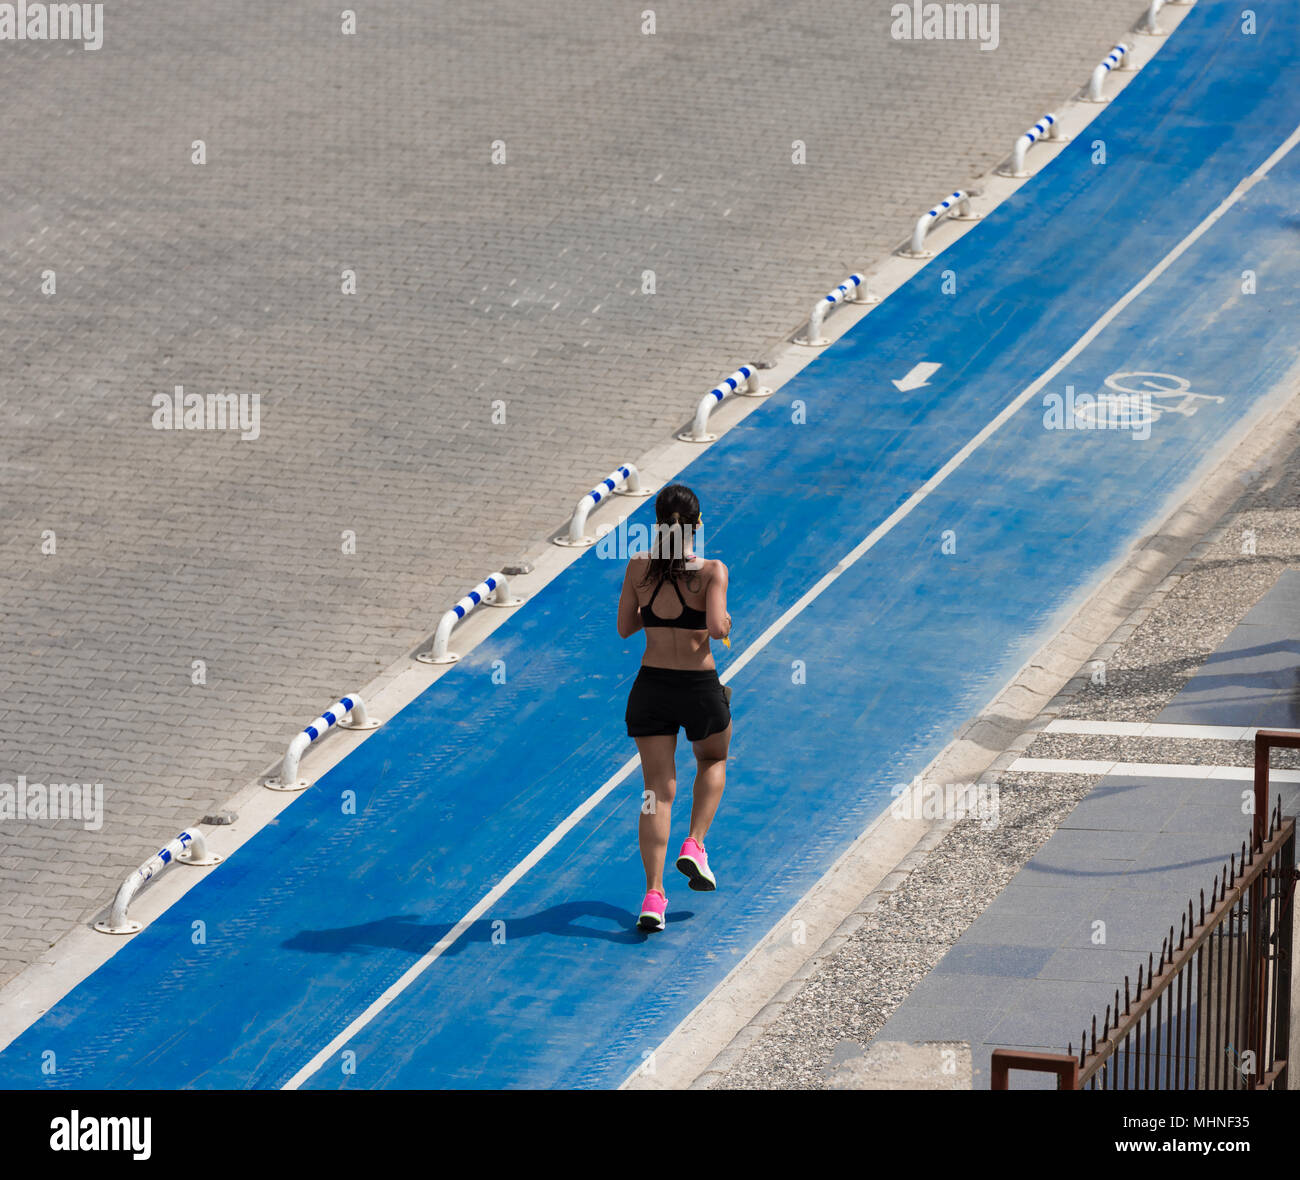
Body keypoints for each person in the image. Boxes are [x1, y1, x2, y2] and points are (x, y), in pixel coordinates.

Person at [617, 483, 732, 932]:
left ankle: (653, 894)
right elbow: (718, 625)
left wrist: (658, 612)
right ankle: (696, 844)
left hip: (652, 688)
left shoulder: (639, 568)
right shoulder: (711, 571)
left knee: (655, 792)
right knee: (714, 757)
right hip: (698, 688)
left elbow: (626, 627)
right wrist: (721, 623)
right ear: (697, 525)